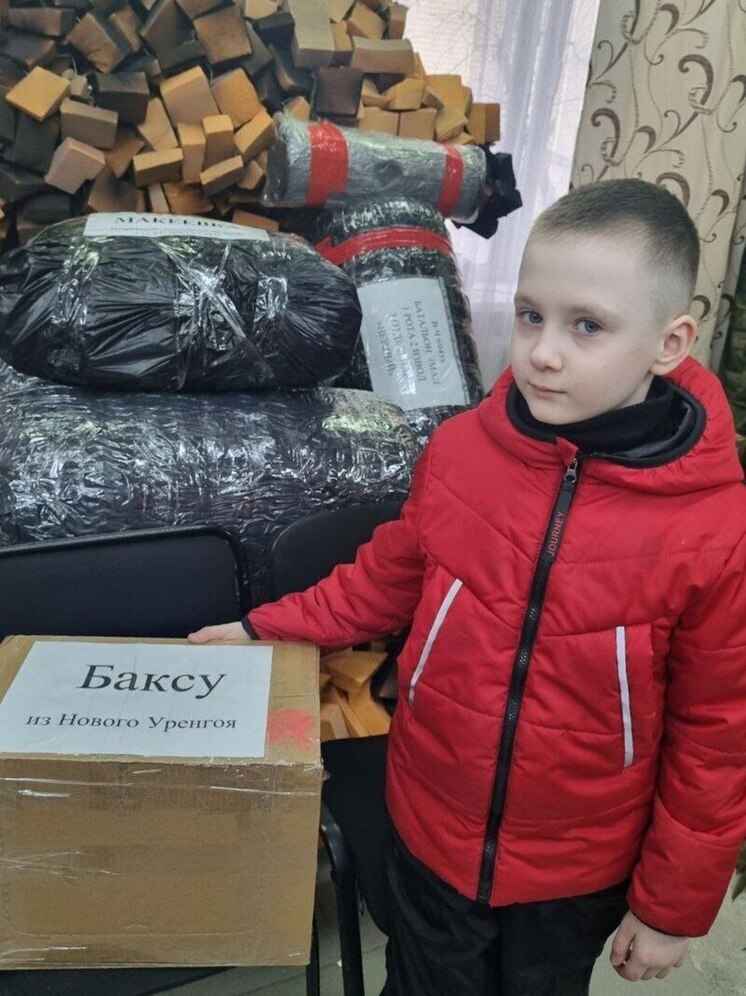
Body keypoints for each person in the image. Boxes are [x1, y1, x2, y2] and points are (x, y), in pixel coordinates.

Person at [189, 178, 746, 995]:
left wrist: (670, 907)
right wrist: (262, 630)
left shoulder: (715, 526)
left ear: (671, 343)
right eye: (531, 316)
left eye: (587, 326)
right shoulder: (460, 453)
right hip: (431, 826)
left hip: (576, 867)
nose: (543, 352)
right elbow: (384, 578)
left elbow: (717, 734)